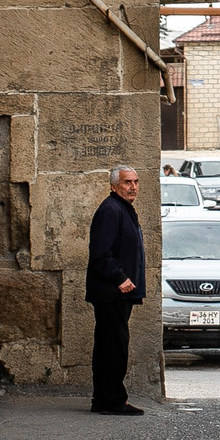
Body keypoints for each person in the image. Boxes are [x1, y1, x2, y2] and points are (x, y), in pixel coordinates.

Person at [86, 165, 147, 415]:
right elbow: (100, 253)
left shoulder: (123, 209)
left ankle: (105, 399)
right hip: (112, 293)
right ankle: (111, 401)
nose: (132, 187)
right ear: (114, 186)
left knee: (111, 345)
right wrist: (120, 278)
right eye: (126, 182)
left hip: (119, 293)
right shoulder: (111, 210)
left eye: (135, 182)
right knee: (113, 347)